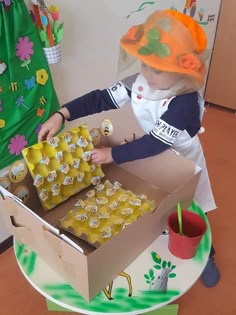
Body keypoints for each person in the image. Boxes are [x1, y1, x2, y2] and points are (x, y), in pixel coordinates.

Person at [38, 9, 220, 287]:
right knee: (160, 206)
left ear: (182, 70)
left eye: (155, 69)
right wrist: (62, 114)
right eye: (143, 64)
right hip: (148, 156)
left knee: (192, 208)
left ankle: (206, 255)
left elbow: (155, 142)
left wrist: (111, 154)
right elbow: (100, 99)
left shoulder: (183, 102)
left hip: (181, 160)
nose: (145, 74)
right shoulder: (141, 82)